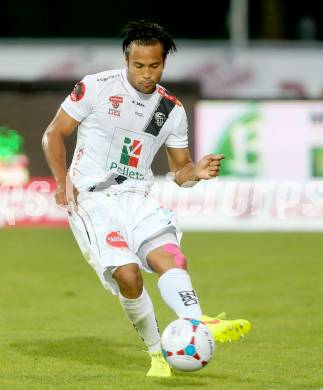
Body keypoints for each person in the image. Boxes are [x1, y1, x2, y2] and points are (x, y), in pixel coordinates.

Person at [42, 20, 251, 377]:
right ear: (127, 59)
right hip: (93, 201)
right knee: (128, 276)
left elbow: (179, 171)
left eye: (154, 66)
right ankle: (157, 355)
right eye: (139, 66)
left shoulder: (170, 110)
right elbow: (53, 135)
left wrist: (195, 173)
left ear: (163, 63)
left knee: (170, 257)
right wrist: (62, 183)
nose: (146, 73)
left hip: (138, 197)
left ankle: (196, 320)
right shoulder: (95, 87)